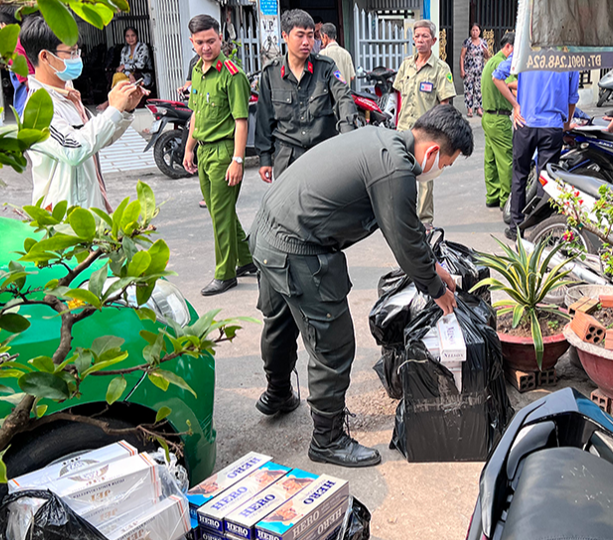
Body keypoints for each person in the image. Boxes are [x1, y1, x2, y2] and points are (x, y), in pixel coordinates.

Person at [249, 105, 472, 467]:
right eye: (445, 165)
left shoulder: (380, 139)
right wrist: (436, 289)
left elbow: (407, 223)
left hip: (267, 231)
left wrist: (433, 264)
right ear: (432, 152)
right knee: (333, 347)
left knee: (281, 322)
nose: (439, 171)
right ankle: (327, 438)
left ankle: (277, 394)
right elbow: (404, 243)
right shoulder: (396, 169)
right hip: (298, 249)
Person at [21, 17, 144, 211]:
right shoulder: (38, 107)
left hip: (89, 210)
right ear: (45, 57)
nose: (77, 58)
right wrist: (112, 109)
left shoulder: (69, 95)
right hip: (65, 220)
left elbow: (96, 140)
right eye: (70, 52)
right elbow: (74, 149)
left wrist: (125, 109)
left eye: (77, 51)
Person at [180, 15, 256, 297]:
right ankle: (246, 260)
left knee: (221, 215)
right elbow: (196, 113)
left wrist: (238, 160)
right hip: (204, 149)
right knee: (218, 211)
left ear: (220, 38)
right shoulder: (198, 71)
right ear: (192, 43)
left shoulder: (232, 75)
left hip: (225, 151)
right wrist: (189, 147)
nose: (206, 47)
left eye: (211, 41)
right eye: (200, 42)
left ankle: (225, 274)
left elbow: (241, 121)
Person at [254, 9, 356, 183]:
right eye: (300, 35)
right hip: (287, 158)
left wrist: (348, 136)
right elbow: (264, 117)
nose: (306, 42)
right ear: (285, 36)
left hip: (322, 154)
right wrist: (265, 158)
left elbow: (343, 98)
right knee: (288, 208)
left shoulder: (326, 67)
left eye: (310, 36)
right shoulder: (271, 73)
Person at [493, 55, 579, 240]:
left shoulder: (526, 51)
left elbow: (497, 77)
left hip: (525, 124)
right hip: (552, 127)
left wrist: (516, 106)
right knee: (546, 179)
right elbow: (572, 98)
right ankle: (542, 228)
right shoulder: (570, 58)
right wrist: (566, 125)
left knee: (519, 176)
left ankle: (516, 227)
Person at [393, 20, 456, 227]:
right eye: (417, 36)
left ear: (434, 40)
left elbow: (445, 105)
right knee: (401, 175)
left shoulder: (441, 69)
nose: (420, 40)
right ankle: (404, 219)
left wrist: (443, 135)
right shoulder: (406, 65)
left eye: (425, 36)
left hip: (428, 135)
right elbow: (399, 97)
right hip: (404, 130)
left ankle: (425, 221)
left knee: (425, 180)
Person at [480, 31, 514, 209]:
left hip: (487, 116)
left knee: (491, 158)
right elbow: (509, 85)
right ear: (508, 47)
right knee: (506, 160)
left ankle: (492, 195)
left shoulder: (491, 61)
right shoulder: (503, 64)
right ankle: (506, 200)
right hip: (499, 118)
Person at [0, 6, 36, 116]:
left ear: (4, 24)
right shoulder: (26, 37)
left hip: (27, 103)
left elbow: (29, 82)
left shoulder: (14, 47)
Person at [460, 23, 490, 118]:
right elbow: (462, 56)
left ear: (480, 31)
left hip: (479, 69)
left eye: (476, 30)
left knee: (479, 89)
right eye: (473, 30)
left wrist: (486, 52)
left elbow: (487, 56)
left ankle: (479, 108)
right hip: (469, 69)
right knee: (469, 89)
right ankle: (469, 109)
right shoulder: (467, 42)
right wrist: (462, 69)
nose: (475, 32)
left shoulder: (483, 42)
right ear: (470, 31)